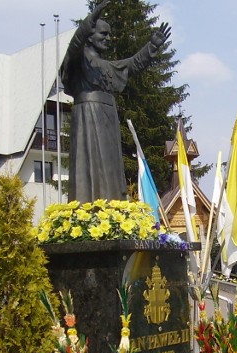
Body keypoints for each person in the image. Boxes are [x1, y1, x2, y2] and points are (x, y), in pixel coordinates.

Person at [62, 0, 171, 203]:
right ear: (89, 36)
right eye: (103, 34)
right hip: (88, 115)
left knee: (110, 166)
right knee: (91, 162)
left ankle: (112, 210)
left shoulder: (107, 66)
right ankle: (90, 209)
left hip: (107, 117)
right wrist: (90, 20)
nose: (109, 39)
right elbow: (74, 45)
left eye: (109, 34)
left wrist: (152, 46)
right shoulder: (79, 60)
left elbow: (132, 65)